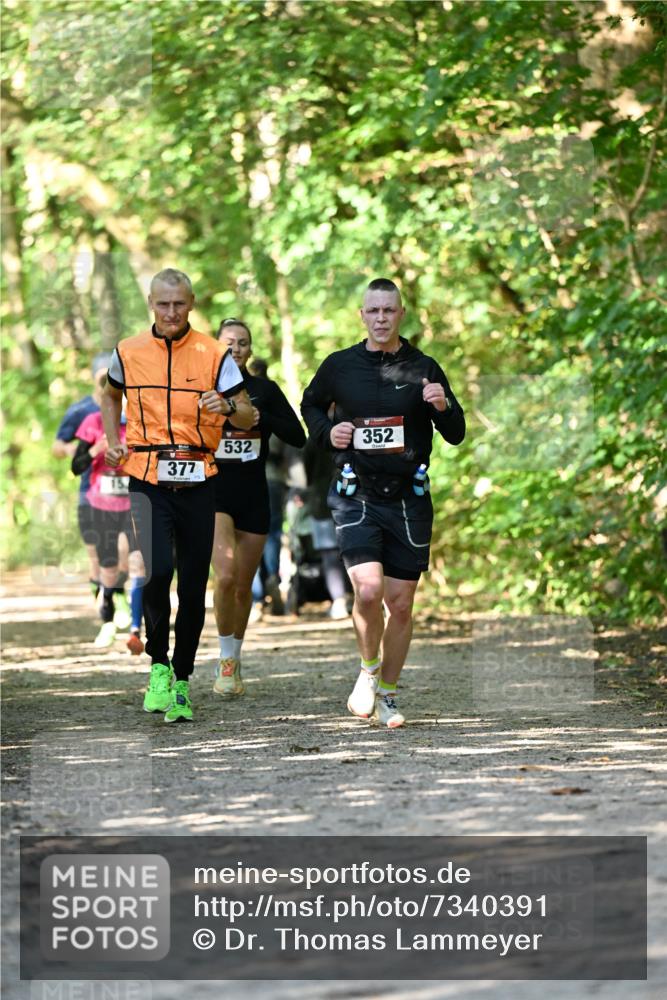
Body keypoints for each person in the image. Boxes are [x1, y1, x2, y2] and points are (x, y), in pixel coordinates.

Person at [301, 277, 465, 728]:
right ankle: (368, 671)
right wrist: (326, 433)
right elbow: (310, 405)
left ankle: (389, 693)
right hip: (356, 495)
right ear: (362, 315)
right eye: (372, 311)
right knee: (369, 591)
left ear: (401, 315)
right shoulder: (339, 365)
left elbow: (455, 433)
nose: (380, 319)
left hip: (409, 499)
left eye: (388, 311)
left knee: (402, 602)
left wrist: (444, 405)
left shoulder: (424, 366)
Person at [101, 269, 254, 723]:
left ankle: (183, 679)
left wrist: (226, 406)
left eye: (180, 304)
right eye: (163, 304)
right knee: (156, 571)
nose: (171, 312)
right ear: (151, 303)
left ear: (192, 304)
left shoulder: (214, 352)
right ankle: (159, 667)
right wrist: (113, 439)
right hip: (146, 475)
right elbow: (109, 395)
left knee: (191, 582)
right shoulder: (127, 352)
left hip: (198, 478)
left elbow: (246, 415)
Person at [211, 319, 305, 697]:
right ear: (216, 346)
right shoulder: (202, 389)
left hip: (253, 494)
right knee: (226, 576)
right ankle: (223, 660)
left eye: (243, 343)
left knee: (243, 587)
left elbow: (297, 435)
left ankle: (234, 658)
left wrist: (260, 416)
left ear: (250, 351)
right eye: (229, 342)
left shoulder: (264, 390)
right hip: (213, 493)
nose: (236, 349)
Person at [53, 353, 130, 618]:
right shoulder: (81, 411)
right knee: (97, 559)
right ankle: (105, 611)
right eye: (102, 376)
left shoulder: (130, 410)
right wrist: (89, 447)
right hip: (91, 492)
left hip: (126, 495)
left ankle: (117, 603)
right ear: (94, 377)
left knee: (124, 555)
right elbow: (58, 447)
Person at [71, 403, 146, 652]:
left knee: (136, 563)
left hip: (133, 505)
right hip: (100, 507)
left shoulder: (142, 420)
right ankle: (108, 622)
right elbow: (76, 466)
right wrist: (97, 449)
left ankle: (136, 630)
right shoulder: (93, 422)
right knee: (109, 570)